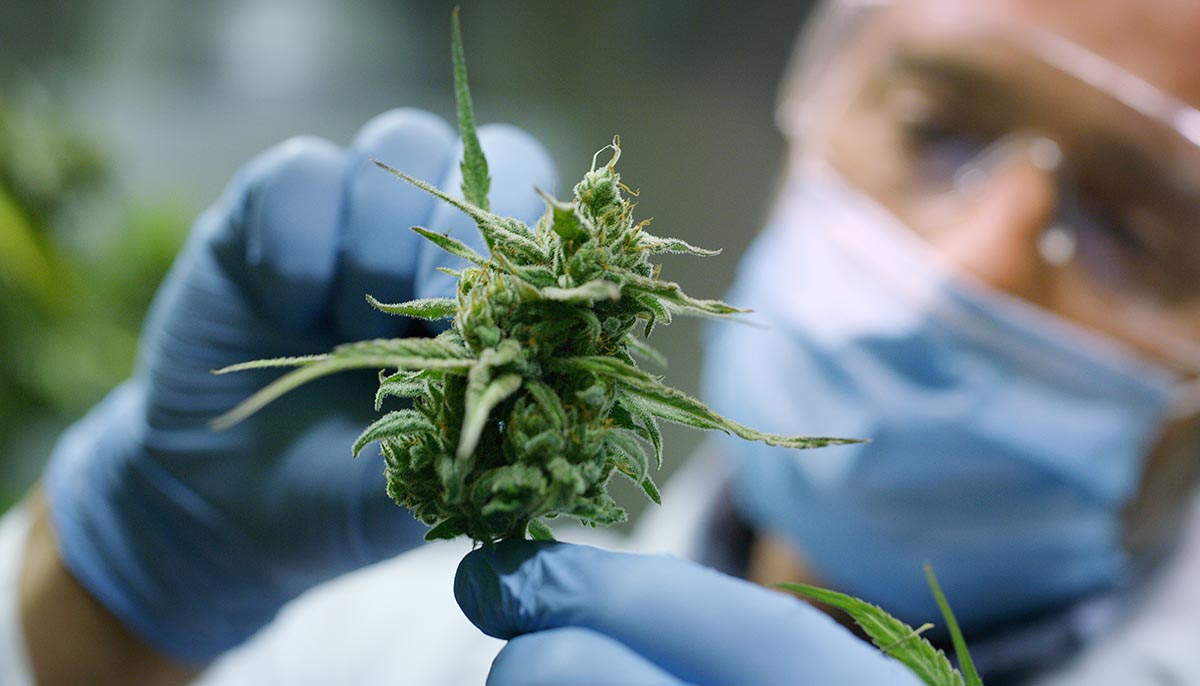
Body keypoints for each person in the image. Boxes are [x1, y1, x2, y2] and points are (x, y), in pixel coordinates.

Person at [5, 0, 1200, 683]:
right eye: (939, 129)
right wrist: (110, 601)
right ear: (815, 110)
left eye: (1138, 226)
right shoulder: (392, 640)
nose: (976, 262)